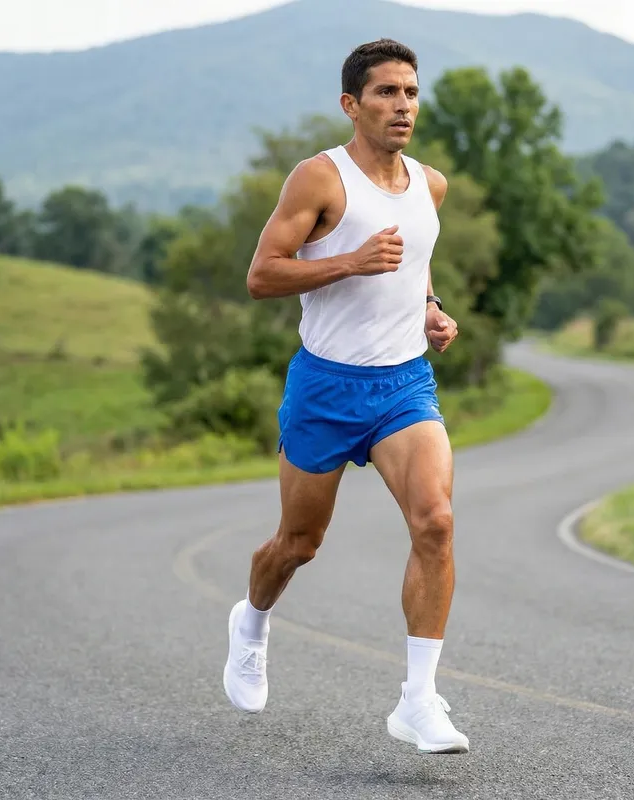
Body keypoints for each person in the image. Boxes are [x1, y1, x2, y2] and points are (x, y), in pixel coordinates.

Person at [223, 38, 469, 755]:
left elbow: (414, 268)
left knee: (436, 522)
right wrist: (348, 263)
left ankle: (418, 701)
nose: (403, 106)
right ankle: (252, 621)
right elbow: (262, 275)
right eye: (387, 93)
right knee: (299, 543)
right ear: (351, 104)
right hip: (326, 385)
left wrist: (430, 309)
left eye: (412, 93)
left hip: (403, 386)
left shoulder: (432, 185)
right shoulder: (318, 179)